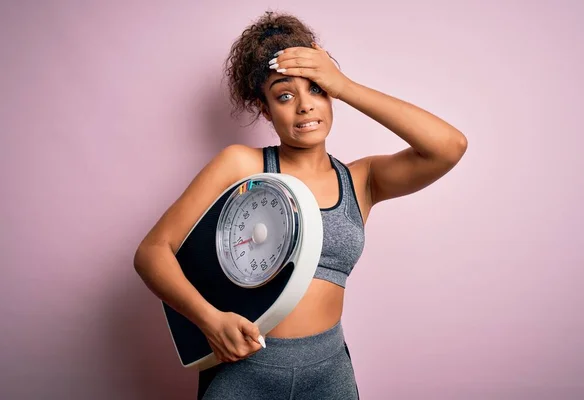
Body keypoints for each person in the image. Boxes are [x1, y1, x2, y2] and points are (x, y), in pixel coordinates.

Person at [133, 10, 468, 400]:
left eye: (317, 89)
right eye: (285, 95)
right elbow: (152, 252)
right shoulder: (243, 165)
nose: (305, 106)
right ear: (265, 110)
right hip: (244, 372)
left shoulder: (362, 180)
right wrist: (209, 320)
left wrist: (343, 84)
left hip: (328, 374)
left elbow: (449, 147)